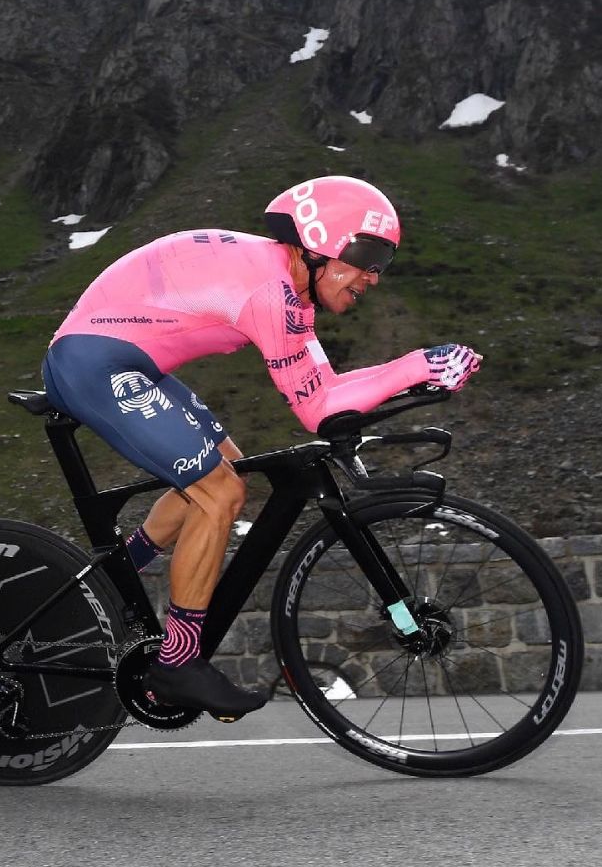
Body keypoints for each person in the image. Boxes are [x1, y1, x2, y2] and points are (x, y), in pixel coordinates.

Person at [40, 175, 482, 717]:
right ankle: (177, 663)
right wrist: (418, 365)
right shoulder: (272, 292)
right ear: (317, 244)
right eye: (365, 255)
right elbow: (319, 407)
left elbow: (327, 392)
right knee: (218, 493)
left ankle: (113, 579)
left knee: (226, 472)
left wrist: (415, 375)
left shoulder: (286, 288)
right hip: (92, 362)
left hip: (127, 361)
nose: (371, 276)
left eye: (382, 262)